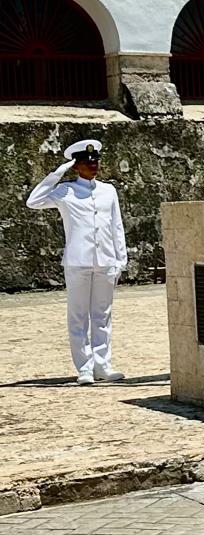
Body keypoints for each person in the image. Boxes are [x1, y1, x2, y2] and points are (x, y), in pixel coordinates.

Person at [26, 138, 128, 385]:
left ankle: (102, 365)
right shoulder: (65, 191)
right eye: (86, 162)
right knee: (78, 316)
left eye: (95, 162)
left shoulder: (108, 191)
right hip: (77, 262)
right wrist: (58, 172)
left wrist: (121, 260)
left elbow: (116, 226)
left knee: (102, 316)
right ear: (76, 166)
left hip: (105, 261)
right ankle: (84, 368)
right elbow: (33, 201)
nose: (93, 166)